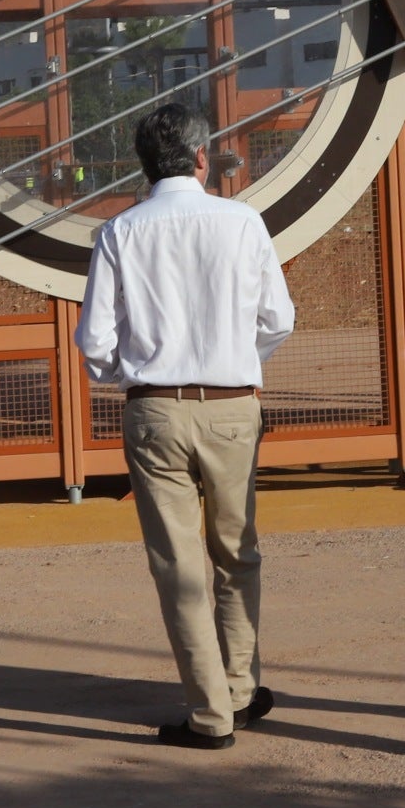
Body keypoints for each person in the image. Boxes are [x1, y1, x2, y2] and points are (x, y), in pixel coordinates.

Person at [76, 102, 294, 749]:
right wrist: (237, 362)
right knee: (238, 552)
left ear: (144, 166)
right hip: (233, 406)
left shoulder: (119, 232)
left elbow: (93, 341)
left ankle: (209, 714)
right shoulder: (244, 221)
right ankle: (242, 688)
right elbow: (278, 318)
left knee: (178, 565)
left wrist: (132, 375)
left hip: (155, 410)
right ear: (204, 158)